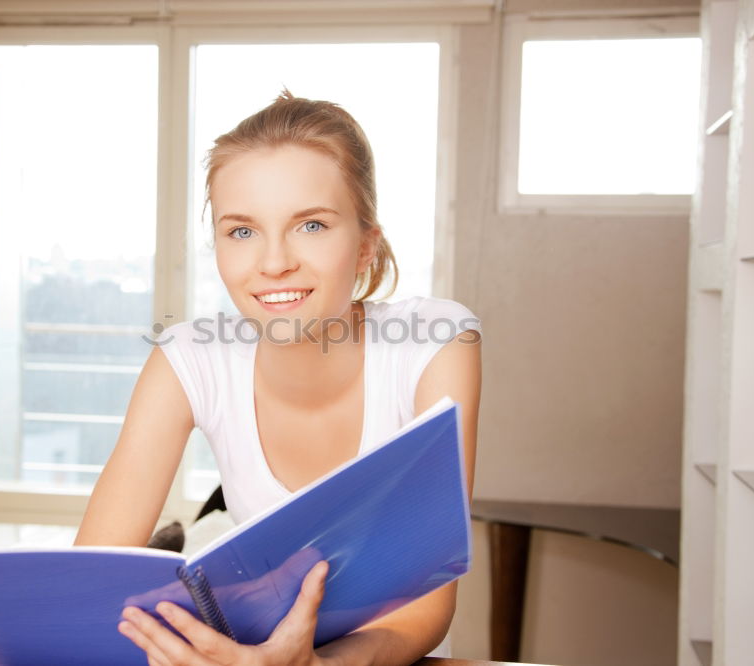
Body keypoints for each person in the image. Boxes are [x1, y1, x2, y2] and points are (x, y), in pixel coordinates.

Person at [75, 89, 483, 665]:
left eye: (311, 225)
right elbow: (91, 583)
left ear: (367, 245)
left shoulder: (435, 341)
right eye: (241, 231)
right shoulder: (190, 358)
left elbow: (427, 606)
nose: (272, 263)